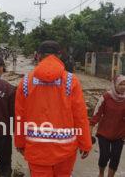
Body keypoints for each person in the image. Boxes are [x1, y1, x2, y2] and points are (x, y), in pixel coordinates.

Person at [15, 40, 92, 177]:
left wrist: (19, 142)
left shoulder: (26, 82)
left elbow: (20, 116)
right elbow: (80, 116)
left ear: (38, 56)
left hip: (36, 149)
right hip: (65, 149)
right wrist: (85, 143)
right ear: (60, 55)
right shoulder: (71, 80)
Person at [90, 75, 125, 177]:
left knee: (115, 158)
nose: (123, 86)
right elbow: (96, 115)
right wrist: (89, 132)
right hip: (104, 133)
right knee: (104, 156)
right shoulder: (106, 97)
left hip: (119, 134)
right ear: (114, 85)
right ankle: (101, 173)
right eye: (121, 84)